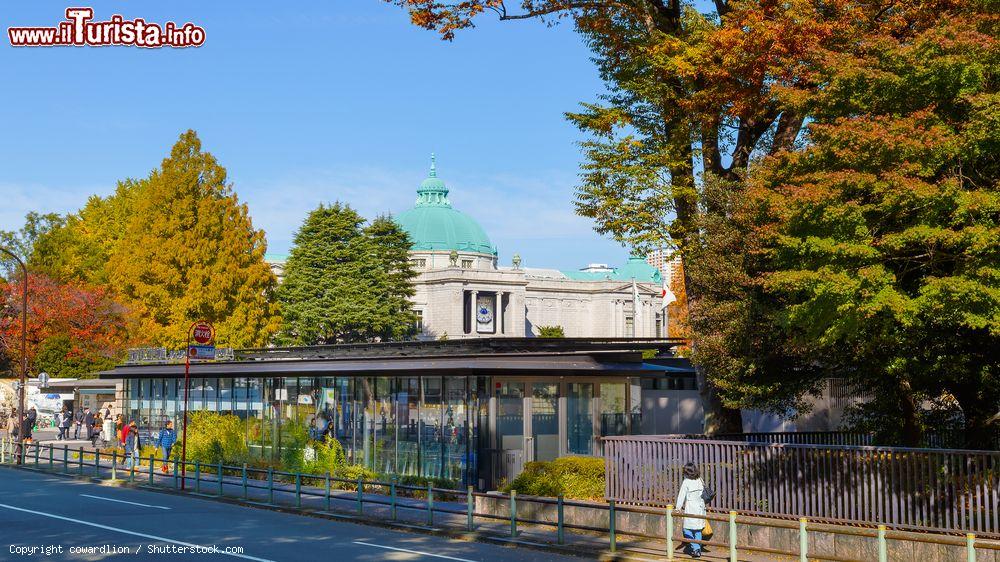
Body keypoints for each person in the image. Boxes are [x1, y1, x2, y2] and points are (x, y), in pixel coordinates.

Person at [676, 462, 707, 558]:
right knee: (698, 530)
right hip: (700, 507)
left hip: (691, 508)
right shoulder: (700, 480)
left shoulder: (686, 482)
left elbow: (681, 496)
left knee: (686, 530)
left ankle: (696, 548)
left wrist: (678, 508)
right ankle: (697, 548)